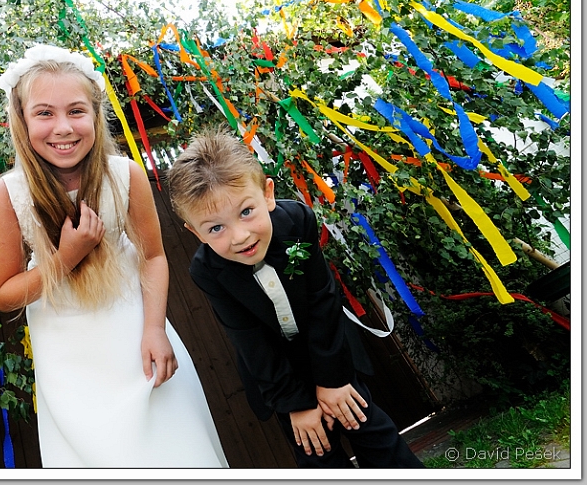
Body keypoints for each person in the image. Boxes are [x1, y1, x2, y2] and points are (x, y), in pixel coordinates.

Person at [0, 45, 228, 468]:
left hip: (137, 343)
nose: (63, 127)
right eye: (44, 113)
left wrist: (154, 329)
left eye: (76, 111)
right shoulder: (6, 196)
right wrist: (66, 256)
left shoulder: (124, 175)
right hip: (70, 364)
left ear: (96, 114)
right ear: (21, 121)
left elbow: (153, 257)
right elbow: (4, 294)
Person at [167, 128, 424, 469]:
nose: (240, 236)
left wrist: (332, 382)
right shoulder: (207, 271)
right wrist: (297, 405)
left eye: (246, 212)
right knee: (316, 450)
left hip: (329, 353)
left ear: (267, 194)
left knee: (371, 429)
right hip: (279, 374)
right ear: (195, 232)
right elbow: (249, 339)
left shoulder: (297, 220)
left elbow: (322, 301)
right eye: (215, 228)